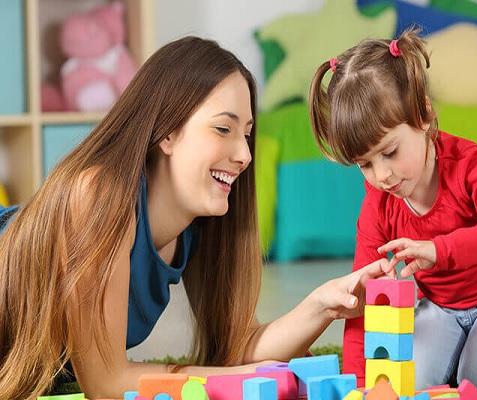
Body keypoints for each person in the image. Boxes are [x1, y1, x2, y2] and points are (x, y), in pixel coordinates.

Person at [0, 36, 394, 400]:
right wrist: (234, 380)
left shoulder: (198, 225)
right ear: (167, 133)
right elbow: (106, 383)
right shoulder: (98, 193)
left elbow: (235, 346)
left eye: (247, 134)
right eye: (224, 128)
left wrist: (322, 305)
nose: (244, 154)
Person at [308, 28, 477, 397]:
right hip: (440, 307)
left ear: (423, 113)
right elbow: (361, 297)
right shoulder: (377, 200)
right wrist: (359, 384)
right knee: (407, 382)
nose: (382, 175)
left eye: (389, 152)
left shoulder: (467, 164)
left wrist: (439, 250)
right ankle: (463, 357)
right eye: (365, 164)